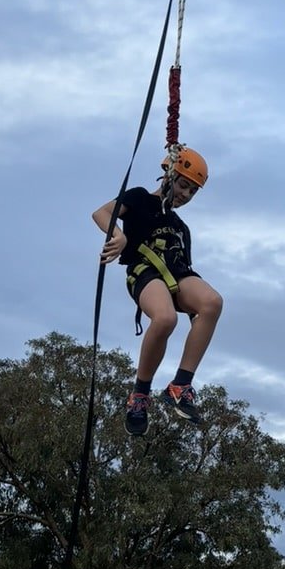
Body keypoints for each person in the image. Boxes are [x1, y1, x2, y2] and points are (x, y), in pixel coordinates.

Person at [92, 148, 223, 436]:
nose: (186, 195)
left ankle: (181, 384)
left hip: (177, 273)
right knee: (164, 319)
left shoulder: (180, 227)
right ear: (168, 175)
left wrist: (198, 317)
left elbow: (186, 269)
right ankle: (140, 394)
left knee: (212, 302)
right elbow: (101, 213)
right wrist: (118, 236)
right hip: (145, 270)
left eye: (192, 191)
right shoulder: (140, 198)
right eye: (182, 184)